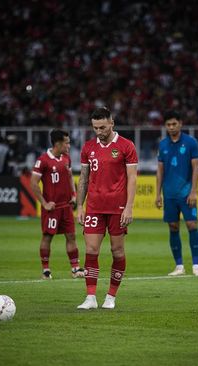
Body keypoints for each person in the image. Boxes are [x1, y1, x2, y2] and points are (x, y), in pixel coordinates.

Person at [76, 106, 138, 310]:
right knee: (91, 250)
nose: (99, 132)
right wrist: (80, 206)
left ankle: (111, 296)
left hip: (117, 207)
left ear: (112, 123)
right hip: (94, 206)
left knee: (117, 251)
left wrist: (129, 207)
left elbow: (132, 178)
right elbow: (83, 179)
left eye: (102, 127)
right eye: (95, 128)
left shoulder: (126, 146)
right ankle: (90, 297)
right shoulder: (88, 148)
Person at [155, 110, 198, 276]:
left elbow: (196, 167)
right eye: (168, 124)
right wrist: (157, 194)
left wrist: (193, 191)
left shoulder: (191, 142)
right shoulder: (163, 144)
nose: (171, 127)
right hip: (169, 194)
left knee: (191, 224)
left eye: (174, 124)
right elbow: (160, 171)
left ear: (181, 124)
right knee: (173, 226)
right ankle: (179, 266)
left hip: (186, 193)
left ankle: (196, 265)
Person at [30, 129, 85, 279]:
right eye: (67, 143)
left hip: (66, 206)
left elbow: (69, 177)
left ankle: (75, 269)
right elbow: (33, 183)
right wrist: (44, 203)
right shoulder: (43, 160)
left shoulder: (66, 158)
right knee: (47, 237)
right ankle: (46, 270)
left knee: (71, 236)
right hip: (52, 209)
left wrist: (73, 195)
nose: (69, 146)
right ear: (58, 144)